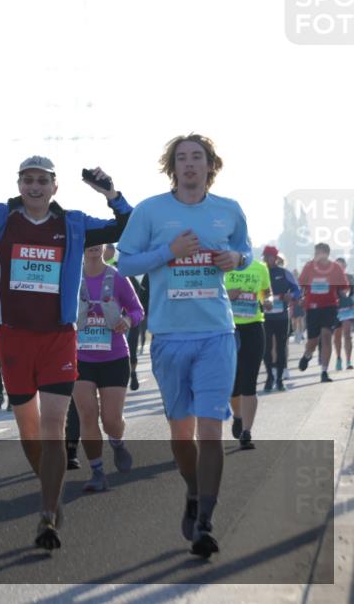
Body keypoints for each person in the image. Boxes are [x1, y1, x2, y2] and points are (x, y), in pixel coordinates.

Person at [0, 151, 132, 550]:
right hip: (14, 337)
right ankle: (51, 494)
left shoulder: (71, 224)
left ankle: (46, 516)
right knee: (28, 430)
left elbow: (126, 228)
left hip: (59, 335)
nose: (35, 187)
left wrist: (111, 193)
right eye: (28, 180)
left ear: (54, 186)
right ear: (19, 184)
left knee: (54, 425)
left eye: (43, 180)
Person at [118, 133, 251, 559]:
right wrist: (168, 251)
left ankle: (206, 523)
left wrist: (236, 260)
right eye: (182, 158)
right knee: (181, 431)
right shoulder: (150, 211)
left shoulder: (228, 211)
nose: (189, 164)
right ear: (171, 167)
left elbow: (243, 251)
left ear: (210, 165)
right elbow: (125, 263)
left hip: (217, 333)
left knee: (210, 428)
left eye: (197, 157)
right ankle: (193, 493)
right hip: (170, 336)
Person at [73, 244, 143, 491]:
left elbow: (138, 311)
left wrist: (127, 319)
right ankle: (97, 471)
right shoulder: (70, 276)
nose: (92, 247)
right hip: (81, 357)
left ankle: (117, 441)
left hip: (114, 356)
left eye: (98, 242)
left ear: (105, 248)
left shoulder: (118, 277)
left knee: (111, 420)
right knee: (88, 414)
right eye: (88, 242)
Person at [224, 257, 271, 449]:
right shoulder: (222, 266)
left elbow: (267, 293)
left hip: (254, 327)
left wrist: (268, 301)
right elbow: (210, 294)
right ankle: (238, 416)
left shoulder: (260, 268)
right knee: (233, 384)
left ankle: (246, 432)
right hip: (229, 329)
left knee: (249, 381)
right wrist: (228, 294)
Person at [297, 243, 349, 382]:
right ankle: (307, 355)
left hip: (329, 307)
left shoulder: (336, 267)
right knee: (312, 341)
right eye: (315, 252)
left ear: (326, 253)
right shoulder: (309, 266)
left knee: (326, 337)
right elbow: (301, 284)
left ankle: (324, 372)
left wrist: (344, 295)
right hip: (312, 307)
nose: (317, 255)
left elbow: (344, 287)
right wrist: (300, 297)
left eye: (319, 252)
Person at [260, 246, 301, 391]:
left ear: (276, 257)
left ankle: (279, 380)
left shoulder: (284, 273)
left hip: (282, 316)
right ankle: (270, 376)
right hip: (265, 317)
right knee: (266, 348)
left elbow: (297, 289)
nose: (268, 259)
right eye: (265, 256)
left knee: (281, 347)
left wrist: (292, 296)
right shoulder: (260, 272)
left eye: (270, 256)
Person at [332, 257, 353, 370]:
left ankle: (349, 361)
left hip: (348, 310)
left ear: (345, 266)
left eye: (341, 266)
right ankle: (339, 358)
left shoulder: (350, 278)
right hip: (335, 310)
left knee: (347, 335)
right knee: (337, 336)